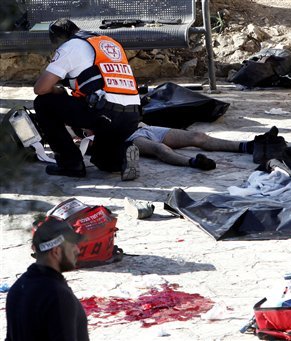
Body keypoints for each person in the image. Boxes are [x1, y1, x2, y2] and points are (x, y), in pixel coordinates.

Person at [33, 18, 141, 181]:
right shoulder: (109, 43)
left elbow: (40, 88)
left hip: (104, 111)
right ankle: (122, 154)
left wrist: (58, 90)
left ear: (60, 37)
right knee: (103, 161)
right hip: (131, 115)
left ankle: (70, 164)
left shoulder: (71, 46)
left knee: (44, 102)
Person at [5, 217, 89, 341]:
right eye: (72, 244)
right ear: (56, 252)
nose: (77, 250)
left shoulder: (18, 288)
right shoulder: (57, 296)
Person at [125, 123, 255, 170]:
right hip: (129, 136)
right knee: (160, 149)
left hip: (144, 127)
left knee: (198, 136)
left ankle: (248, 146)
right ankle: (194, 162)